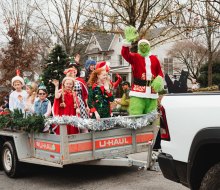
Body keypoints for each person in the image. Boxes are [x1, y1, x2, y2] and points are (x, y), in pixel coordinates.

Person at [121, 26, 164, 115]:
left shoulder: (154, 59)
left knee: (150, 115)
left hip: (152, 92)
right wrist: (127, 42)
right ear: (139, 47)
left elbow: (159, 72)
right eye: (141, 46)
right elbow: (125, 54)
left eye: (145, 46)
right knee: (136, 113)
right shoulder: (135, 57)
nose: (143, 47)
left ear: (149, 47)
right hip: (138, 91)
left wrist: (159, 79)